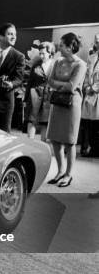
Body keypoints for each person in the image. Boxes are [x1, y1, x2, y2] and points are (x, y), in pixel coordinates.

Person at [46, 33, 87, 188]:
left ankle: (68, 175)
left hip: (72, 105)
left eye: (62, 45)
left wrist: (58, 85)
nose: (59, 47)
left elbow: (72, 86)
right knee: (55, 139)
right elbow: (49, 81)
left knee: (70, 142)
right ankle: (60, 171)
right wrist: (61, 85)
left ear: (70, 47)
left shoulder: (80, 65)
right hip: (57, 103)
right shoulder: (58, 61)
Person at [25, 42, 55, 141]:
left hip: (49, 96)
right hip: (35, 94)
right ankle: (30, 143)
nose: (41, 56)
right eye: (40, 53)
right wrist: (25, 98)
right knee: (32, 119)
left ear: (50, 53)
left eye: (44, 53)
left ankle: (43, 144)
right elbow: (30, 82)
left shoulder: (55, 65)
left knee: (45, 121)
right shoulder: (36, 65)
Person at [81, 35, 99, 157]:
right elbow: (87, 75)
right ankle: (93, 149)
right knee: (89, 124)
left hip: (97, 93)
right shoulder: (91, 57)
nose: (98, 44)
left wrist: (94, 88)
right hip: (90, 95)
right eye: (97, 42)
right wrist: (87, 87)